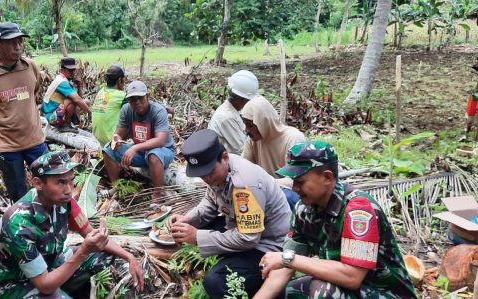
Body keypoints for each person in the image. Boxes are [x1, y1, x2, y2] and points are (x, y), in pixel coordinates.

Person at [255, 141, 417, 299]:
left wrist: (288, 259)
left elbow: (352, 277)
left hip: (383, 292)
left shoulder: (358, 210)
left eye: (300, 182)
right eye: (294, 182)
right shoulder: (303, 210)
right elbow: (284, 268)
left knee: (323, 291)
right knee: (286, 292)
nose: (295, 188)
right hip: (347, 289)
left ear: (327, 178)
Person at [0, 151, 145, 298]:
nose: (69, 190)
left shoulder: (64, 203)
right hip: (19, 285)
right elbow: (45, 286)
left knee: (104, 254)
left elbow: (90, 232)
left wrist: (129, 257)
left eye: (71, 180)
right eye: (61, 182)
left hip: (52, 266)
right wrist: (83, 251)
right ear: (38, 183)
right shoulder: (19, 224)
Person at [167, 129, 291, 299]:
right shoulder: (218, 173)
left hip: (266, 244)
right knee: (201, 227)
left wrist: (197, 237)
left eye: (210, 173)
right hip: (241, 227)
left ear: (224, 157)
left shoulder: (245, 185)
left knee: (215, 282)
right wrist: (189, 219)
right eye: (202, 176)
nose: (207, 179)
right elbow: (210, 202)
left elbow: (248, 239)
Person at [0, 22, 47, 203]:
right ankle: (25, 229)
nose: (17, 47)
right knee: (19, 194)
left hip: (35, 140)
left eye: (19, 41)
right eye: (11, 42)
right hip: (7, 145)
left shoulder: (30, 67)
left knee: (49, 184)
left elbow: (34, 91)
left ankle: (49, 223)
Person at [102, 80, 175, 201]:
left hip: (163, 151)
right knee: (108, 149)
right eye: (132, 99)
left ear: (148, 96)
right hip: (141, 153)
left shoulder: (158, 111)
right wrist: (117, 140)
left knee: (154, 155)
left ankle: (157, 195)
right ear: (128, 100)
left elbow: (161, 140)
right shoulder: (126, 110)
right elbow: (117, 134)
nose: (137, 102)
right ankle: (117, 187)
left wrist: (134, 148)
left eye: (140, 98)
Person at [241, 98, 306, 210]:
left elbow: (295, 181)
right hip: (264, 190)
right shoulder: (253, 140)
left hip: (287, 193)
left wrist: (263, 183)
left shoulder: (293, 138)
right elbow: (242, 168)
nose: (246, 130)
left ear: (263, 122)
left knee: (287, 196)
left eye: (251, 125)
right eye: (245, 124)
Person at [207, 70, 257, 154]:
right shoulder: (227, 117)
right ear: (238, 99)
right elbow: (243, 150)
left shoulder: (234, 111)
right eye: (248, 100)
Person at [42, 57, 92, 133]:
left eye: (73, 70)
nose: (73, 72)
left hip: (58, 113)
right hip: (51, 117)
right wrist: (89, 112)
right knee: (71, 101)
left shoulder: (64, 80)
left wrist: (79, 85)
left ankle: (71, 122)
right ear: (62, 70)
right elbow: (76, 100)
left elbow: (79, 99)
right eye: (70, 70)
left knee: (86, 102)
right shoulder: (62, 82)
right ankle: (66, 125)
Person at [91, 64, 127, 145]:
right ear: (119, 80)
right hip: (111, 141)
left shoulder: (101, 91)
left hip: (98, 139)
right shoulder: (121, 96)